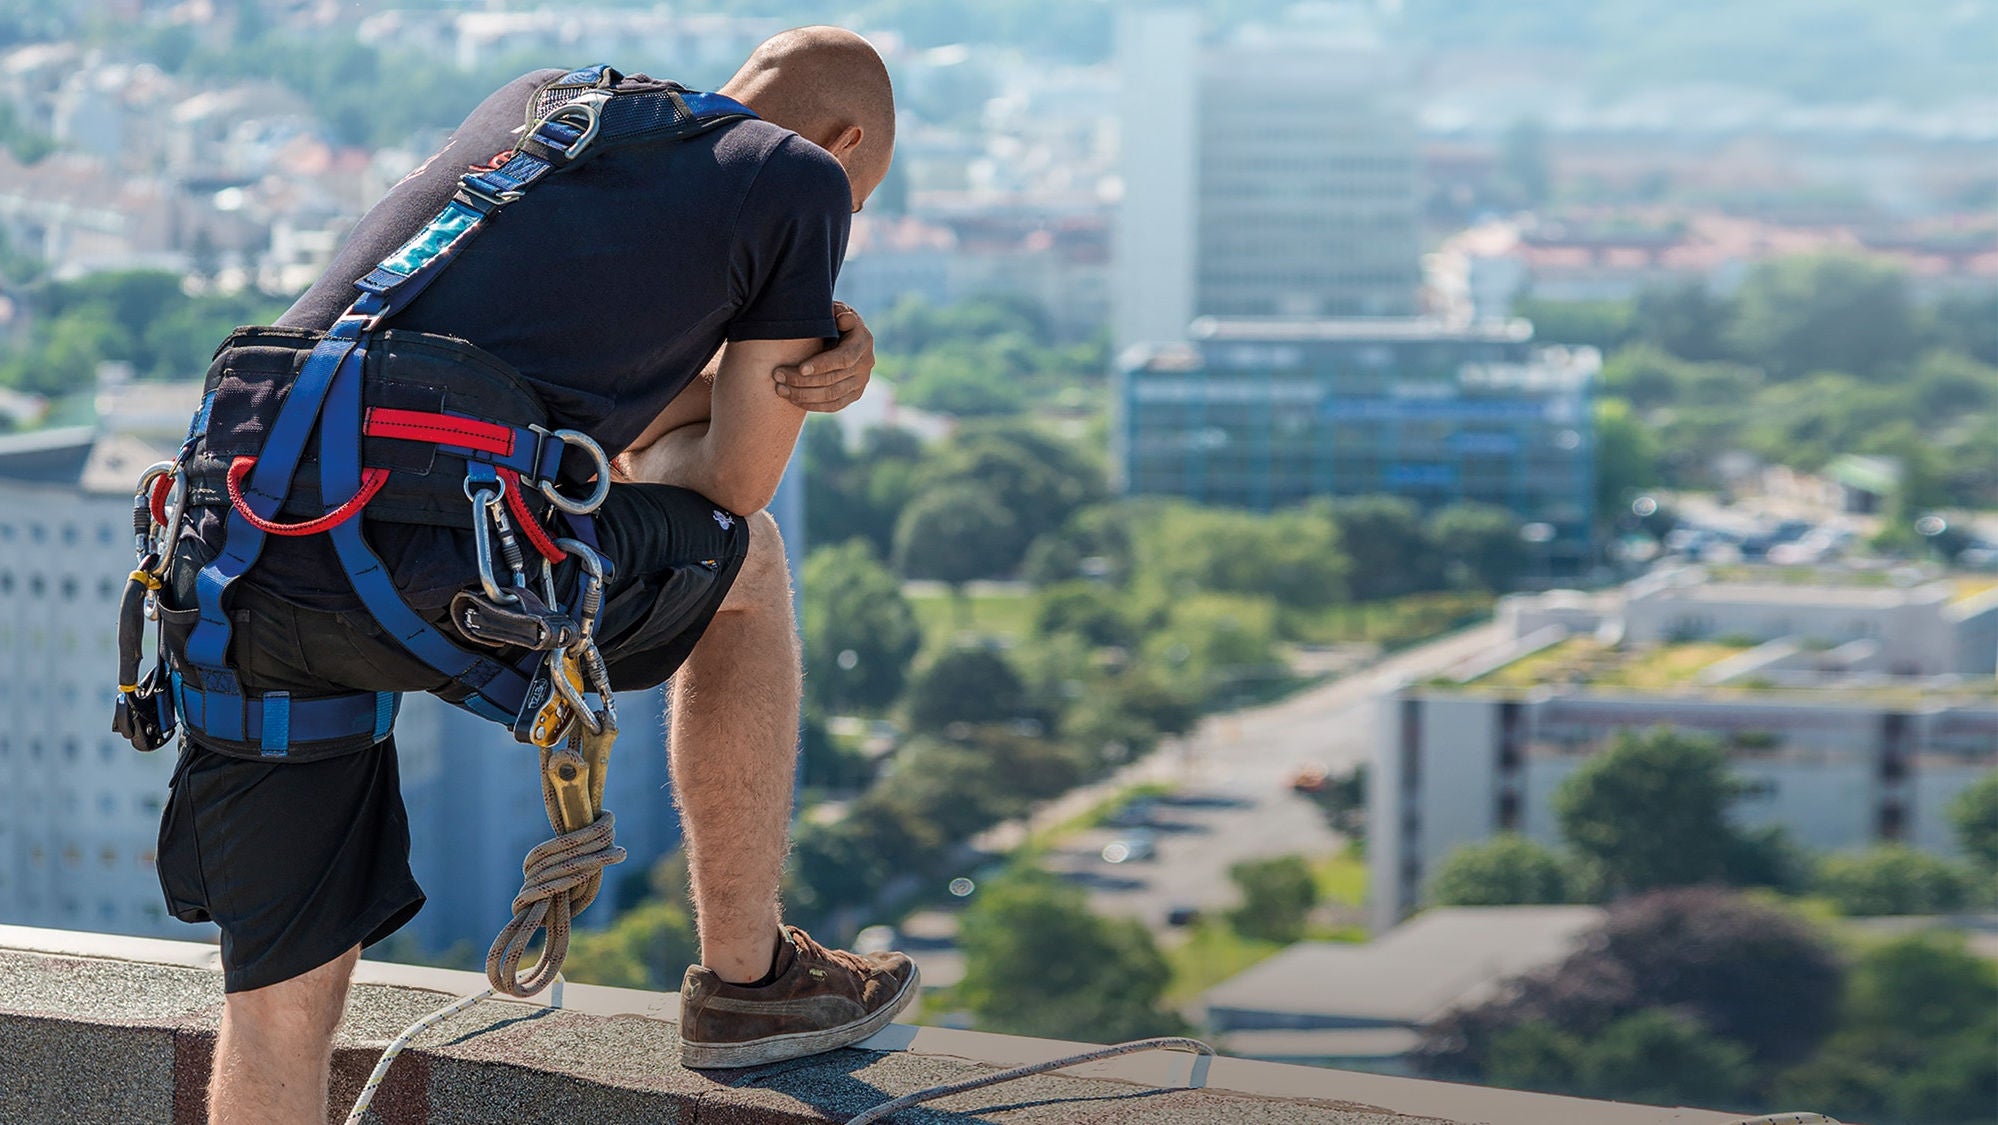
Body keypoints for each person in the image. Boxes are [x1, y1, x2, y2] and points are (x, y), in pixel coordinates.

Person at [151, 27, 917, 1123]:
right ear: (844, 147)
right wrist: (786, 376)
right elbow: (730, 483)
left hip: (247, 542)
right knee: (750, 563)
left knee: (279, 1006)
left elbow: (554, 410)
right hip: (431, 548)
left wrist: (720, 388)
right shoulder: (800, 180)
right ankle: (751, 985)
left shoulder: (545, 105)